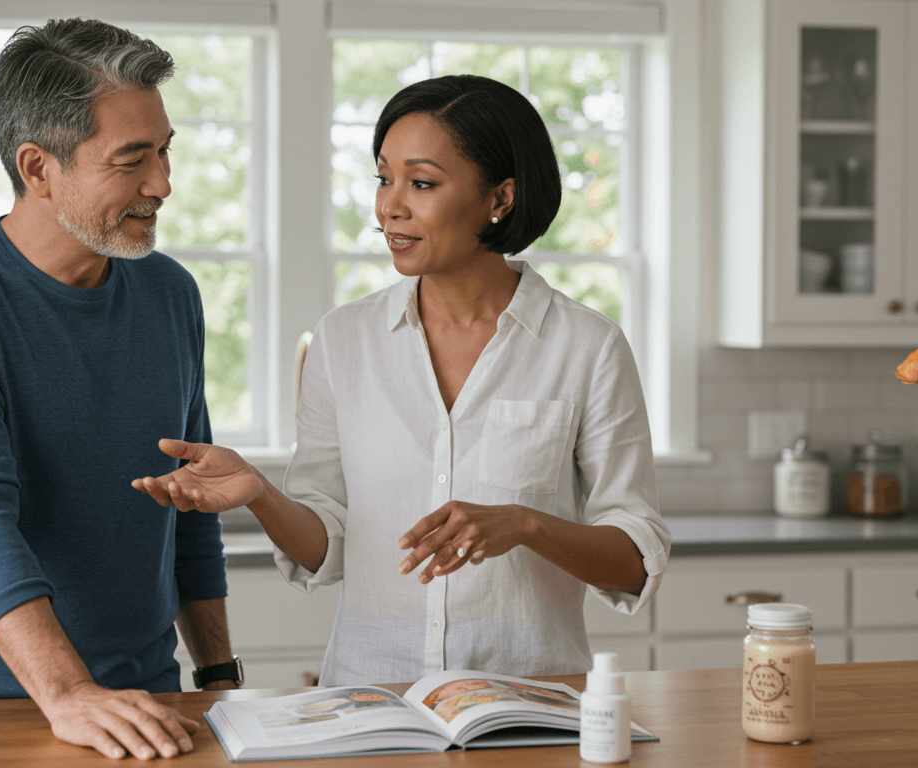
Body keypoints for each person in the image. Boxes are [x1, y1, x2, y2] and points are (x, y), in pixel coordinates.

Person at [134, 74, 670, 686]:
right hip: (370, 701)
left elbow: (634, 562)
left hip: (530, 708)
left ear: (500, 198)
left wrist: (525, 524)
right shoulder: (344, 340)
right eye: (384, 179)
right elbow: (326, 547)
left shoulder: (587, 347)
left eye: (422, 183)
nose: (391, 205)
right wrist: (259, 491)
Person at [0, 19, 239, 761]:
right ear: (38, 168)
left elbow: (192, 501)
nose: (163, 185)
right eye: (132, 160)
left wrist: (217, 678)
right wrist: (69, 693)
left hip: (149, 700)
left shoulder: (170, 293)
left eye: (166, 150)